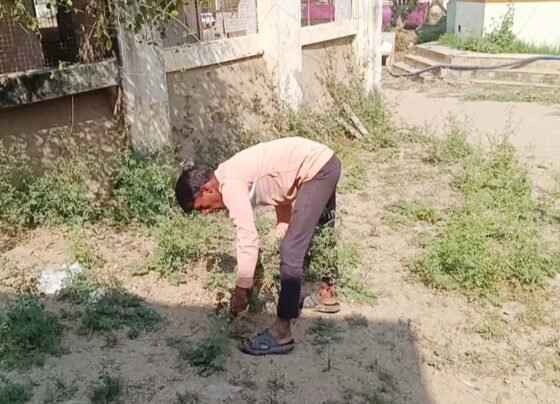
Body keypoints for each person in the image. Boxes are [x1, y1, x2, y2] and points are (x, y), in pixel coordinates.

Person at [175, 136, 341, 356]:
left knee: (291, 249)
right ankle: (326, 295)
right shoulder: (230, 172)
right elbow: (281, 185)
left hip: (317, 169)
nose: (205, 212)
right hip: (324, 161)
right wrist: (283, 224)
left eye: (201, 207)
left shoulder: (230, 183)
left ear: (206, 189)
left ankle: (282, 332)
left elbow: (247, 237)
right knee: (320, 230)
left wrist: (242, 288)